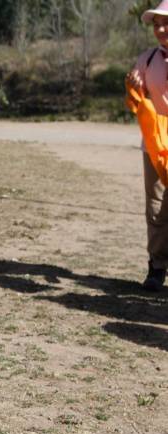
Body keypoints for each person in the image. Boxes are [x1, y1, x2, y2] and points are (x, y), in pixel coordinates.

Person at [126, 1, 168, 291]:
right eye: (156, 24)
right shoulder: (148, 59)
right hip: (155, 146)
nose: (160, 29)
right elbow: (136, 103)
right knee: (156, 208)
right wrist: (134, 86)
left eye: (166, 23)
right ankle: (157, 268)